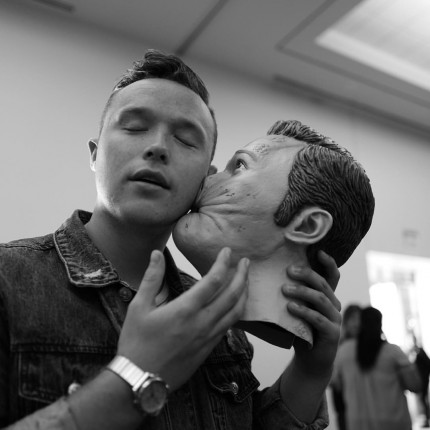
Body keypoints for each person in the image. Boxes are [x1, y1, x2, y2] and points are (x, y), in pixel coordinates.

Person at [0, 50, 341, 429]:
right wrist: (132, 378)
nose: (158, 147)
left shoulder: (221, 323)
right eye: (134, 127)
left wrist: (310, 371)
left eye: (185, 139)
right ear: (95, 155)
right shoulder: (8, 280)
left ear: (206, 179)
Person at [173, 120, 374, 349]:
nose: (207, 178)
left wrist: (311, 367)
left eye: (240, 166)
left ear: (306, 225)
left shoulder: (233, 346)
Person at [332, 306, 422, 430]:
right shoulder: (393, 352)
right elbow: (415, 385)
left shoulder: (343, 352)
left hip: (358, 424)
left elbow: (335, 383)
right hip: (394, 423)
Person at [330, 304, 362, 430]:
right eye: (353, 319)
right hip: (344, 405)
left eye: (359, 319)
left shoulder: (367, 346)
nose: (356, 323)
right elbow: (331, 377)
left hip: (364, 404)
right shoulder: (338, 345)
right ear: (346, 321)